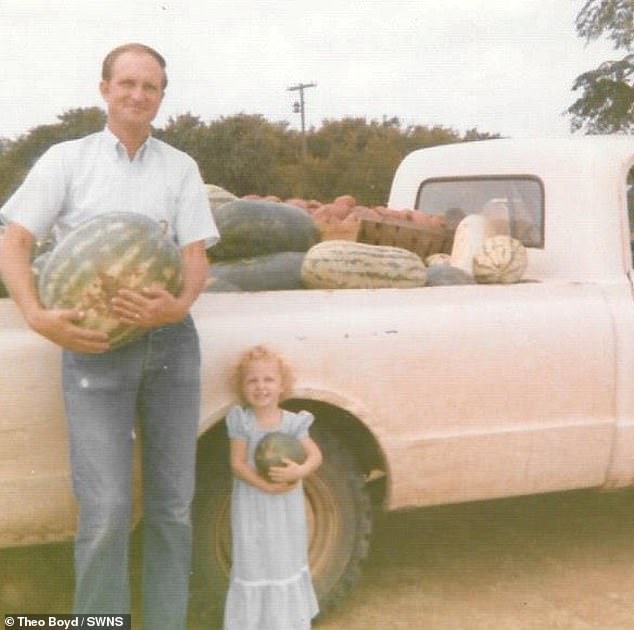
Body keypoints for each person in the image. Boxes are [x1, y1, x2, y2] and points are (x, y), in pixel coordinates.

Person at [0, 43, 219, 629]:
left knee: (172, 507)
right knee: (105, 512)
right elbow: (14, 241)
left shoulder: (180, 167)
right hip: (93, 352)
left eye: (151, 87)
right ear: (104, 89)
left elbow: (195, 256)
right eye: (127, 83)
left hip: (171, 349)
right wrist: (37, 316)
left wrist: (177, 305)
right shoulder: (65, 161)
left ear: (161, 97)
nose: (137, 95)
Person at [224, 345, 323, 630]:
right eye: (252, 380)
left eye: (268, 380)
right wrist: (264, 486)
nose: (261, 387)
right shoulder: (242, 421)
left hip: (285, 507)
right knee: (254, 560)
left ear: (282, 385)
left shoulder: (293, 423)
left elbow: (315, 455)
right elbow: (237, 463)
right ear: (243, 387)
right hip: (254, 504)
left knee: (283, 558)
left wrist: (300, 470)